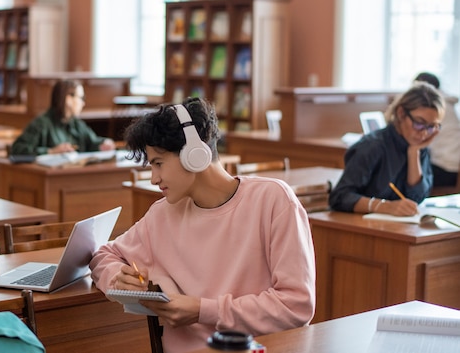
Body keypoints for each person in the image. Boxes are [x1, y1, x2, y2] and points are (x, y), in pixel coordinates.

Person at [89, 97, 316, 353]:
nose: (154, 179)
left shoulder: (273, 200)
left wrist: (201, 310)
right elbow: (103, 255)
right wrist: (117, 280)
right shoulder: (161, 215)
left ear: (194, 155)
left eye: (158, 164)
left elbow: (296, 307)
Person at [329, 81, 445, 215]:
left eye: (431, 127)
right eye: (419, 123)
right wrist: (384, 206)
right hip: (364, 227)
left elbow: (416, 198)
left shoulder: (420, 148)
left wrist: (414, 153)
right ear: (401, 113)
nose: (424, 133)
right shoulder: (372, 146)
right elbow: (339, 197)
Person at [10, 79, 115, 155]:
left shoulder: (76, 124)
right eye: (81, 98)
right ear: (68, 99)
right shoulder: (41, 124)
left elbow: (91, 142)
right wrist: (51, 151)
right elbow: (17, 149)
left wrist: (103, 143)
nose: (83, 103)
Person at [414, 72, 460, 187]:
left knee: (405, 174)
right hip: (453, 165)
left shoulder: (433, 105)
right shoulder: (446, 103)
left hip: (444, 168)